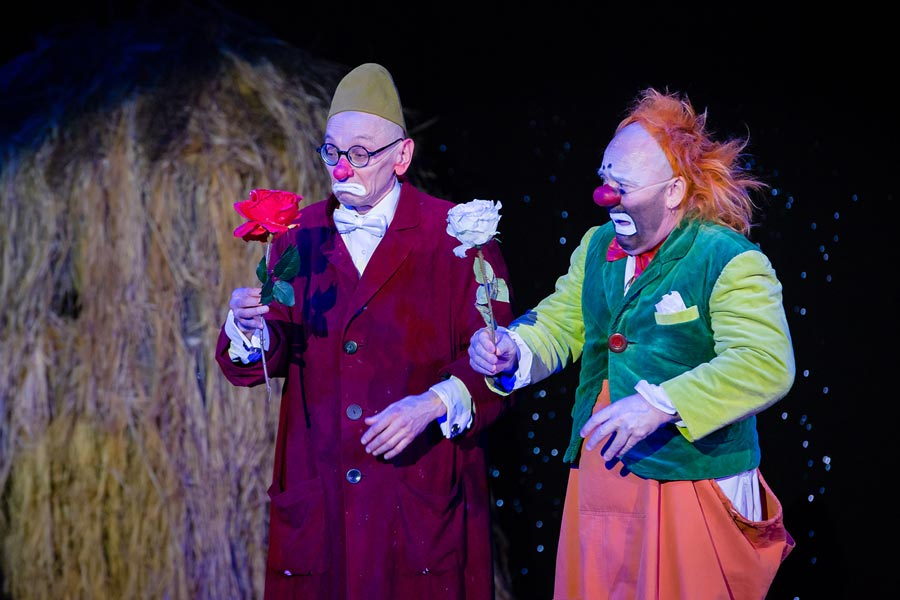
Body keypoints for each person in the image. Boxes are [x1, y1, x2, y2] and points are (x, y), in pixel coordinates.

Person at [468, 87, 796, 599]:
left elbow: (764, 362)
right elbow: (562, 321)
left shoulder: (727, 258)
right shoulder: (597, 246)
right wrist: (514, 348)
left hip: (692, 479)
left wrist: (661, 404)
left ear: (674, 191)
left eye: (623, 187)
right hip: (607, 470)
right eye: (604, 180)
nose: (606, 197)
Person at [216, 63, 515, 600]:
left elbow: (497, 368)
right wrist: (248, 328)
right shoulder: (298, 236)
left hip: (417, 502)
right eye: (332, 152)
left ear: (402, 156)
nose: (342, 168)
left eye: (359, 153)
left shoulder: (457, 236)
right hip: (323, 503)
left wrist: (431, 404)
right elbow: (268, 353)